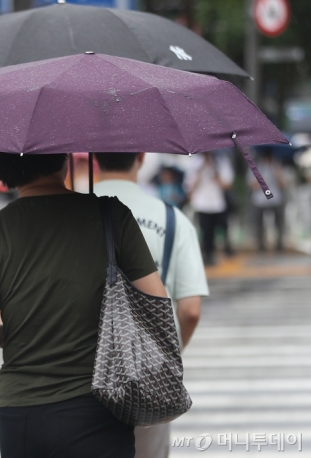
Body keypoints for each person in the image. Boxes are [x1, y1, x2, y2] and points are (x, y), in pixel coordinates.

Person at [0, 151, 166, 458]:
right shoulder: (110, 215)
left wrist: (6, 333)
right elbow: (155, 301)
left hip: (22, 414)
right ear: (63, 158)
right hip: (98, 404)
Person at [95, 152, 208, 458]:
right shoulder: (173, 219)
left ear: (94, 159)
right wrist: (168, 357)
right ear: (142, 157)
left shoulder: (74, 214)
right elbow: (190, 311)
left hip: (84, 369)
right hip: (148, 373)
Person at [185, 152, 235, 265]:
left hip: (218, 203)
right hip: (202, 204)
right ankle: (208, 255)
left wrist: (215, 173)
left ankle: (227, 250)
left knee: (223, 228)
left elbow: (227, 184)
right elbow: (189, 187)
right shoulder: (194, 163)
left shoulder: (221, 162)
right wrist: (200, 170)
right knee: (206, 231)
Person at [249, 149, 286, 252]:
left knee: (278, 223)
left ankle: (279, 244)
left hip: (275, 199)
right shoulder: (255, 167)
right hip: (259, 200)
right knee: (259, 224)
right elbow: (251, 185)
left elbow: (283, 184)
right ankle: (261, 245)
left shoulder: (277, 167)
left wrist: (276, 172)